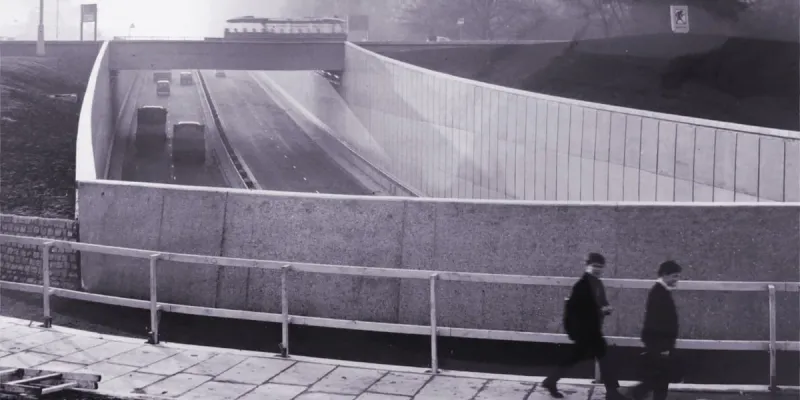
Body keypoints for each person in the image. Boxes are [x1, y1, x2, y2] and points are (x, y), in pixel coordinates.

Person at [542, 253, 626, 400]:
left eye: (600, 267)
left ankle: (551, 381)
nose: (597, 269)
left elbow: (601, 302)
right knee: (604, 356)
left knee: (576, 357)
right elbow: (579, 310)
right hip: (585, 330)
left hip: (591, 329)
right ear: (587, 266)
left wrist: (606, 308)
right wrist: (600, 311)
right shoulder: (581, 286)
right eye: (595, 266)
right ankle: (612, 392)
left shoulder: (597, 283)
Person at [629, 261, 682, 400]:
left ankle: (640, 392)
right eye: (674, 276)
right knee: (660, 378)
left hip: (658, 342)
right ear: (665, 275)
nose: (677, 280)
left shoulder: (660, 291)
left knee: (659, 377)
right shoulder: (659, 293)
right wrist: (664, 347)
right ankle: (637, 393)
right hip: (660, 343)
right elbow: (657, 322)